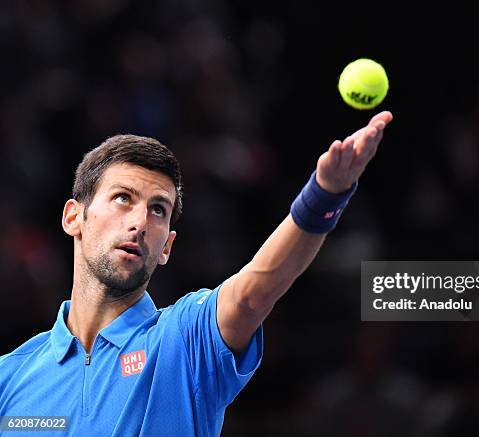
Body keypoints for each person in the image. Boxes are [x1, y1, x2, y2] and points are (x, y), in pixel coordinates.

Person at [0, 110, 393, 436]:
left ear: (166, 246)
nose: (140, 221)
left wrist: (324, 194)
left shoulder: (185, 339)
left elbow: (252, 293)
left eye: (158, 210)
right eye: (123, 198)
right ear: (74, 217)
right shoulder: (10, 377)